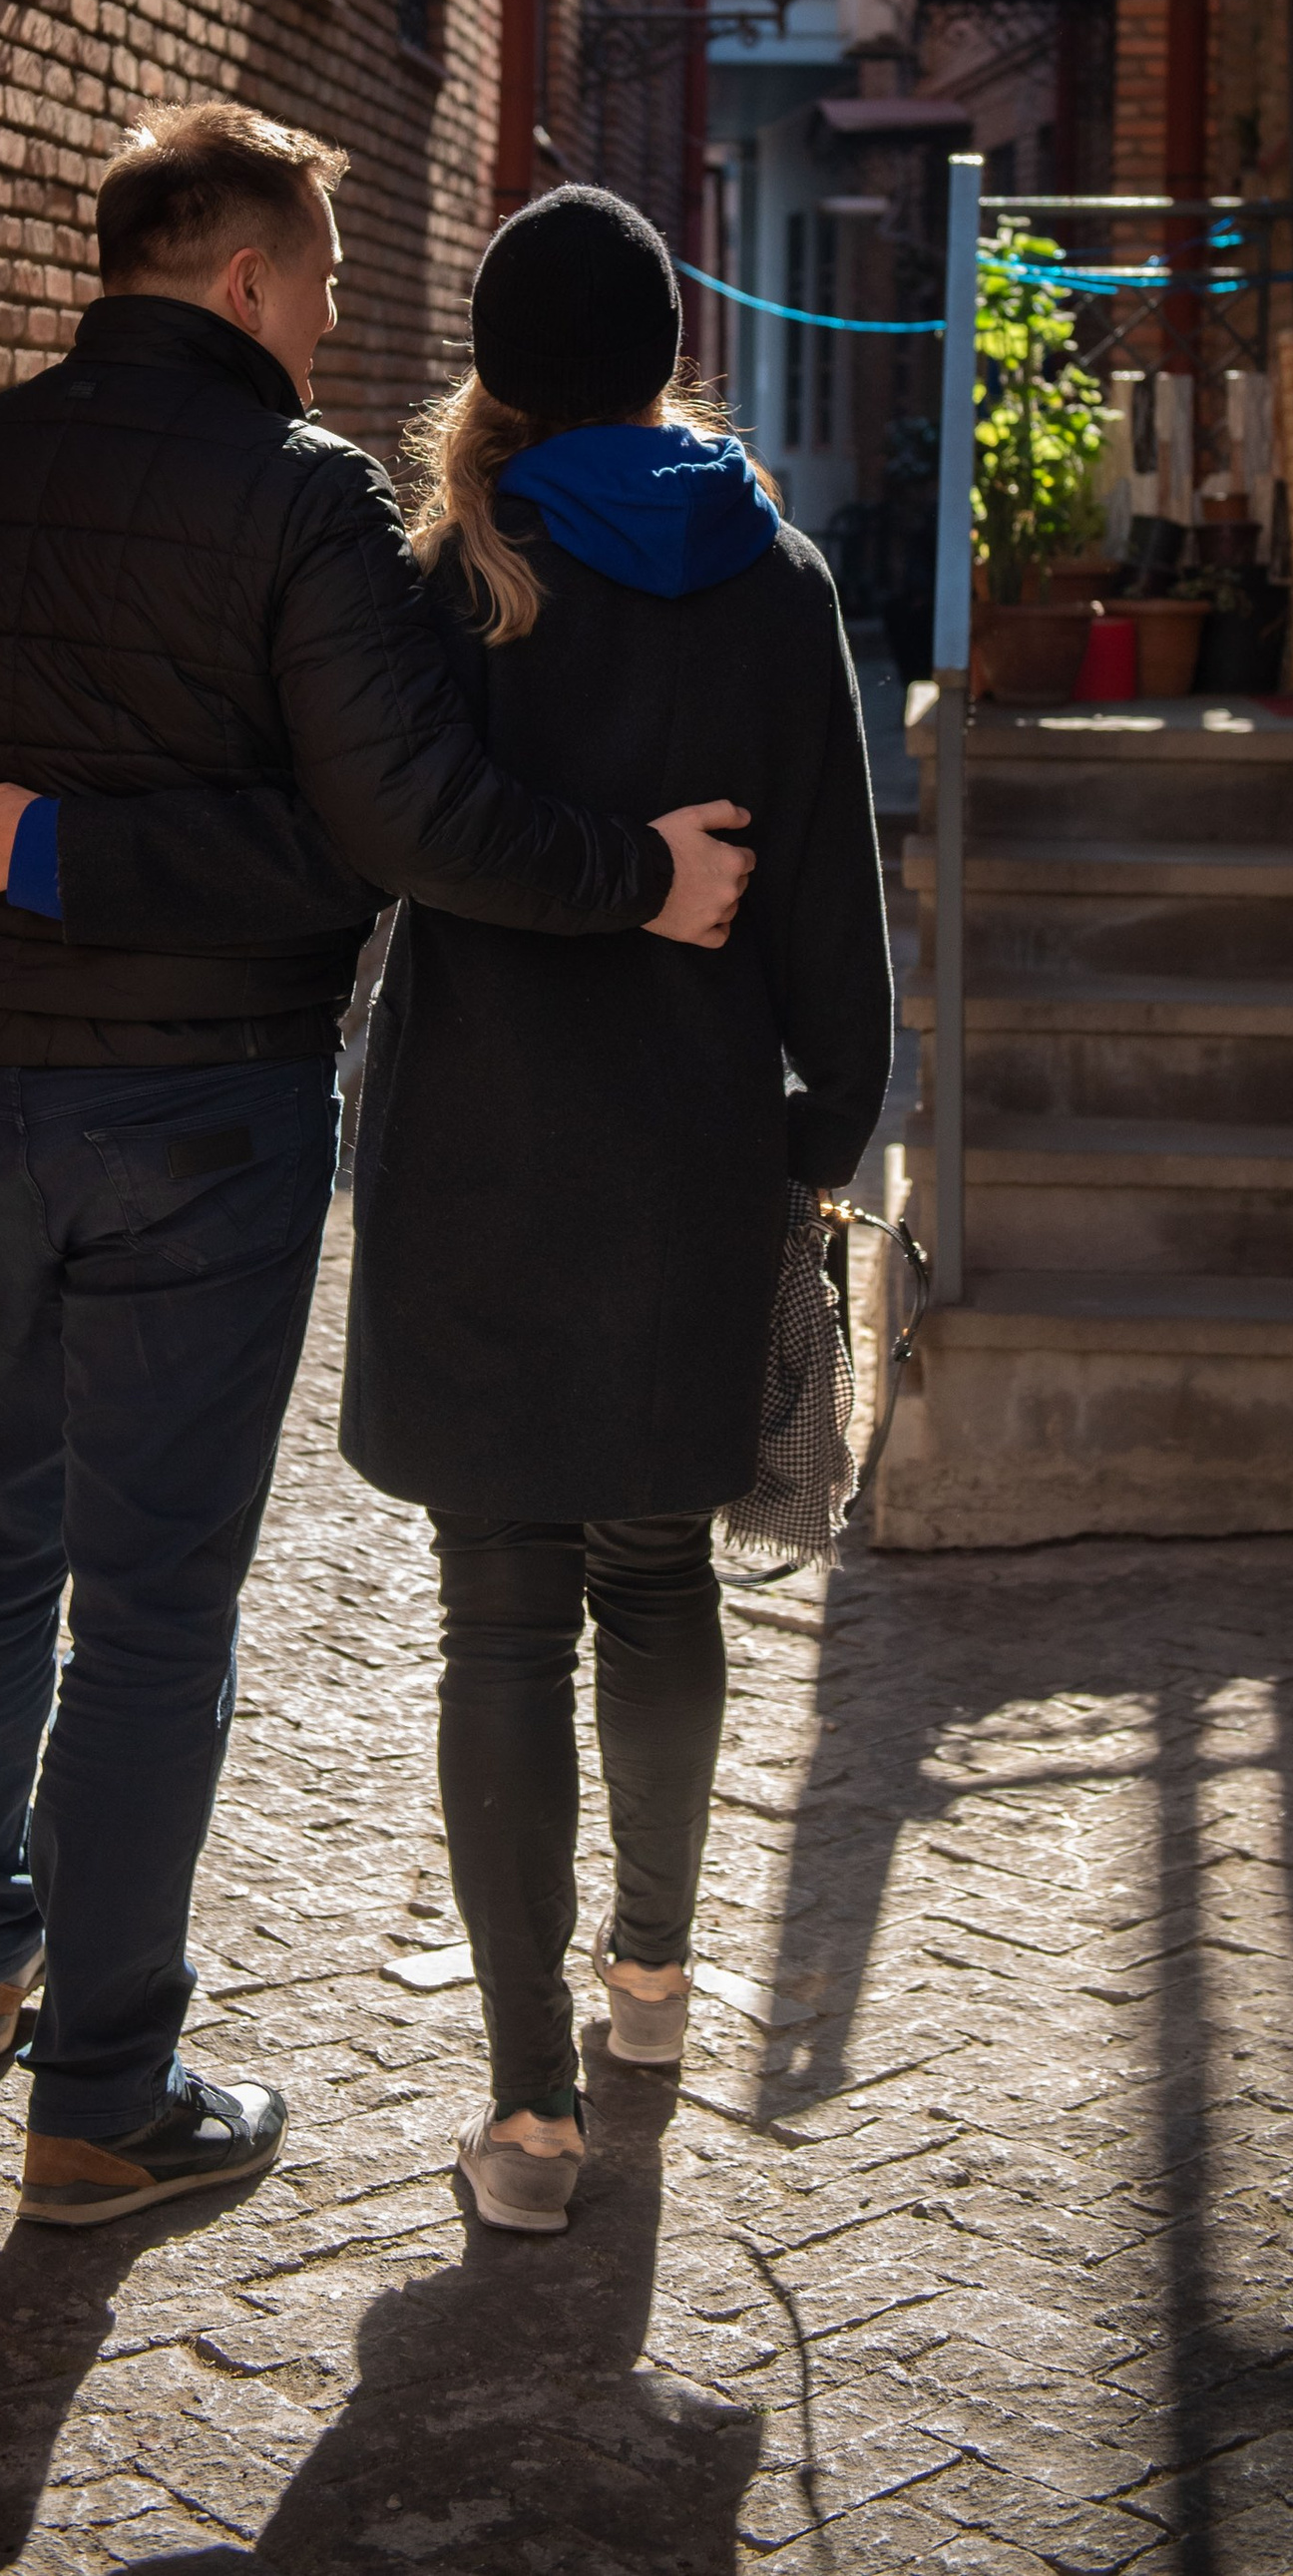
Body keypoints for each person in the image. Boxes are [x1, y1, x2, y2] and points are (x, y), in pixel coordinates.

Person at [0, 108, 752, 2231]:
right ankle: (99, 2096)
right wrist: (636, 879)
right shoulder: (301, 503)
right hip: (203, 1121)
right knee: (149, 1599)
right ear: (237, 276)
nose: (335, 318)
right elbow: (394, 827)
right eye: (321, 276)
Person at [342, 186, 895, 2233]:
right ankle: (647, 1990)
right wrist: (826, 1135)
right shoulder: (773, 578)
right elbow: (833, 899)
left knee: (498, 1601)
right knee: (652, 1571)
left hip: (472, 1154)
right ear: (670, 345)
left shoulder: (440, 572)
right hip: (684, 1152)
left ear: (493, 361)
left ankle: (522, 2120)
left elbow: (389, 833)